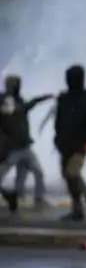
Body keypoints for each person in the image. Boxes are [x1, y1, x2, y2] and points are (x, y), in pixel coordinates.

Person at [54, 65, 86, 221]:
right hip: (65, 143)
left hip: (81, 144)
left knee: (72, 173)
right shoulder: (64, 98)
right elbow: (59, 121)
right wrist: (57, 139)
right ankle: (77, 209)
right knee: (68, 177)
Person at [0, 75, 52, 211]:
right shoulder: (5, 100)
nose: (19, 86)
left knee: (37, 172)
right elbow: (14, 113)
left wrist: (40, 99)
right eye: (17, 84)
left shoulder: (17, 100)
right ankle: (19, 199)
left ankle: (38, 199)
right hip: (12, 147)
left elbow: (23, 108)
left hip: (24, 146)